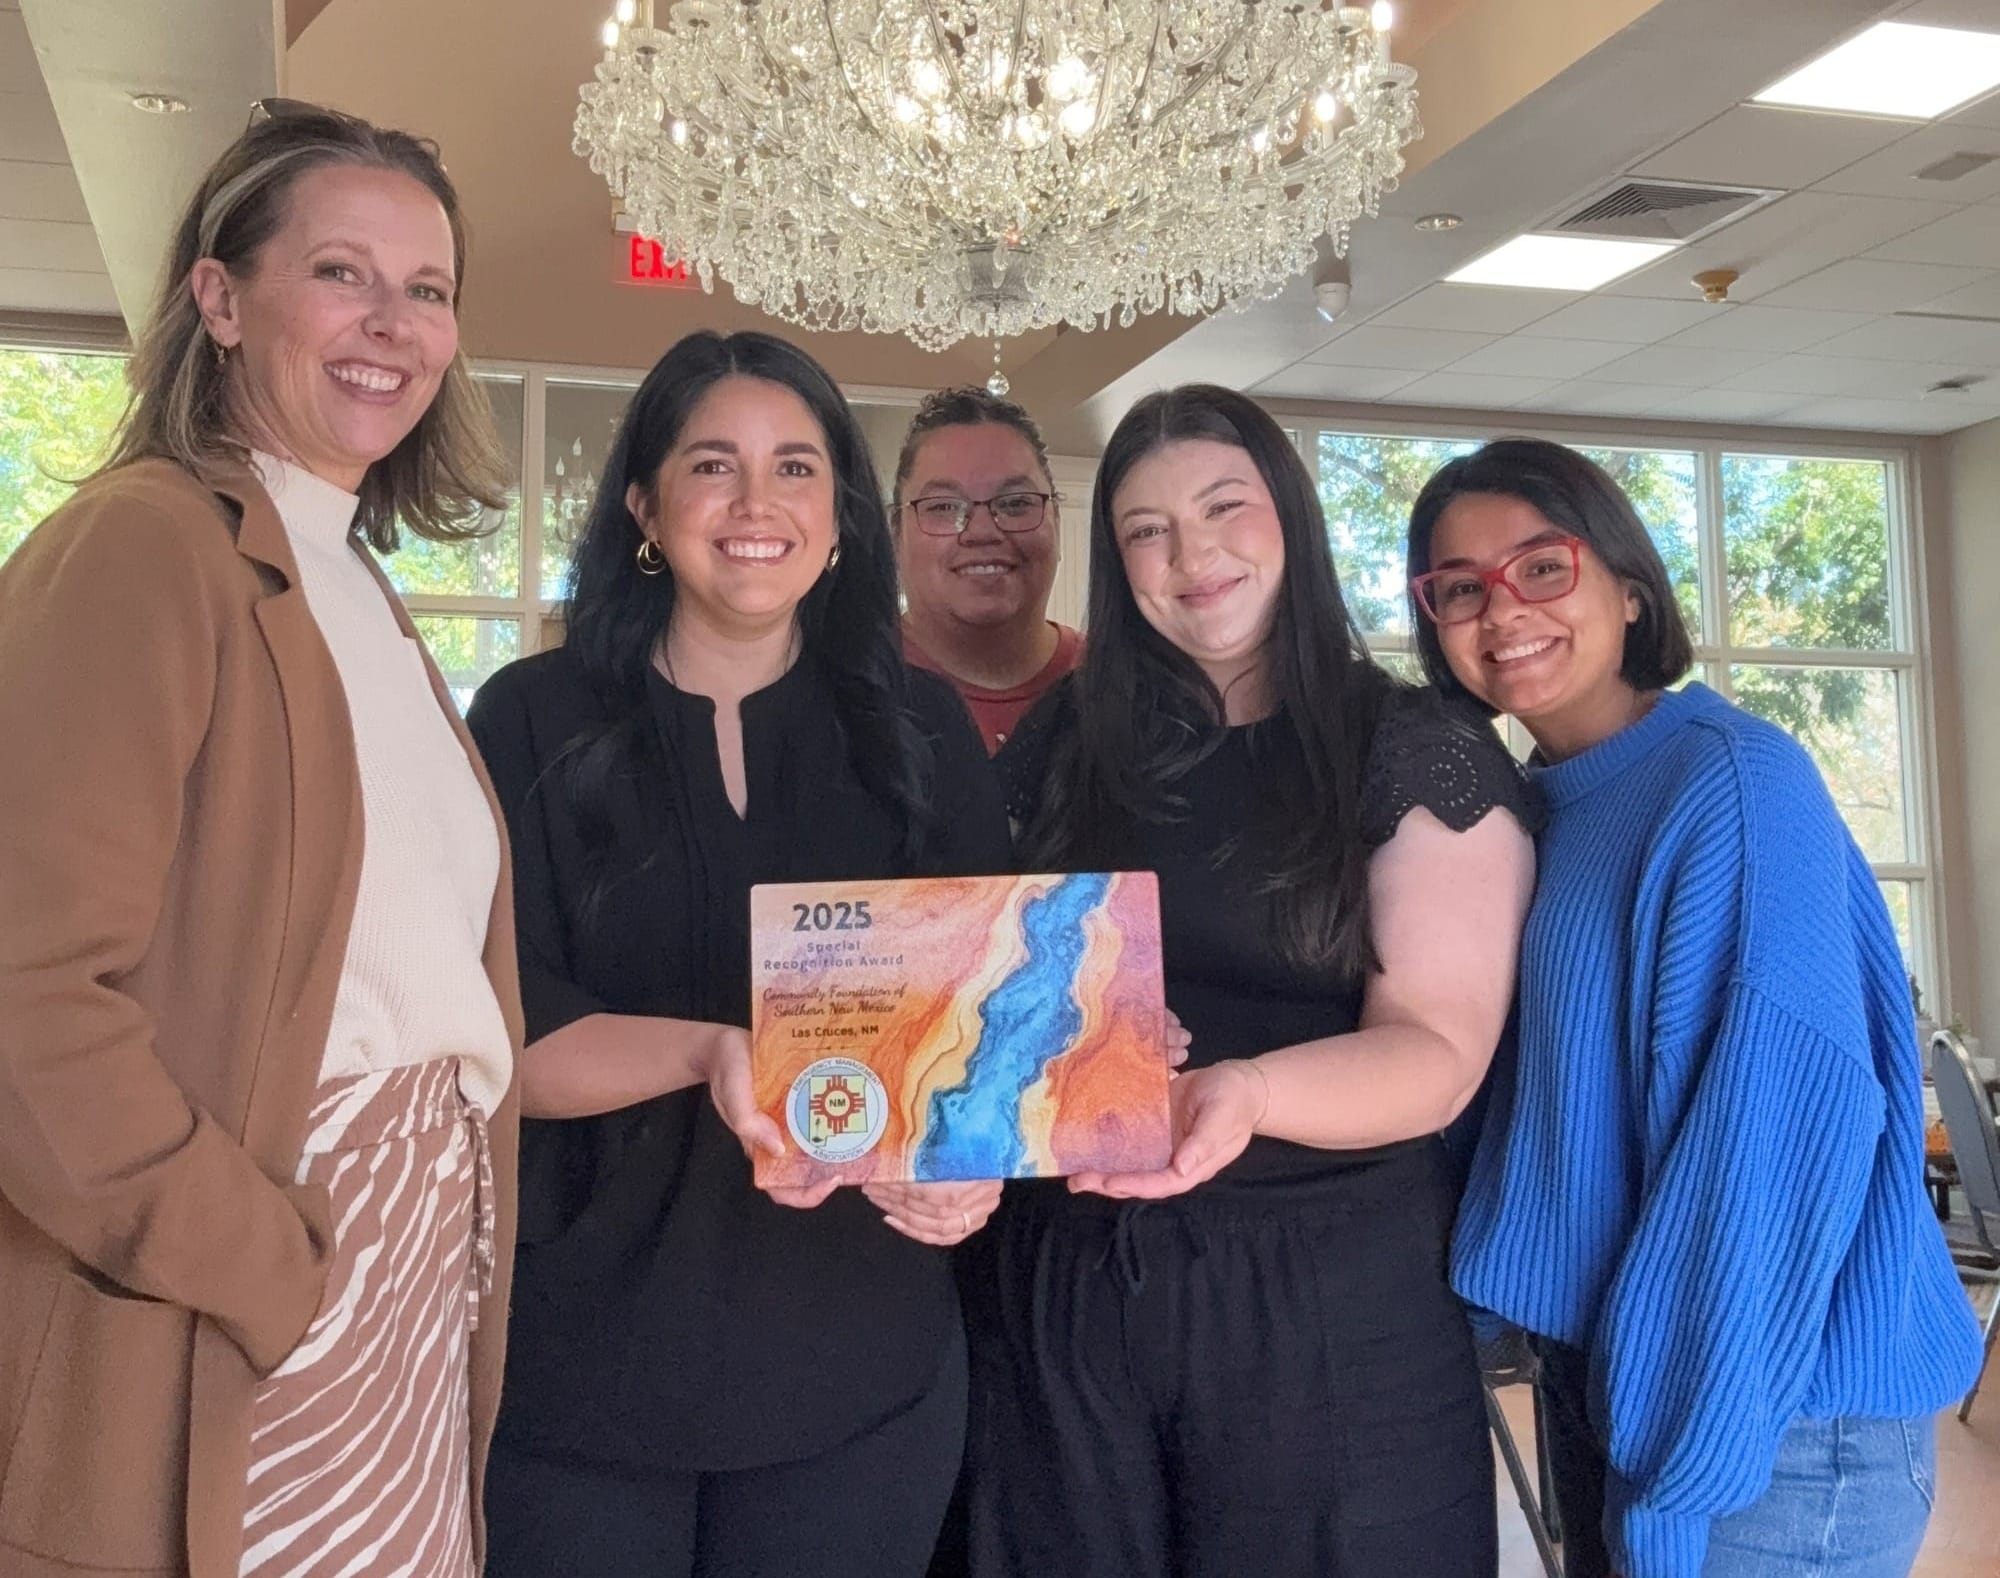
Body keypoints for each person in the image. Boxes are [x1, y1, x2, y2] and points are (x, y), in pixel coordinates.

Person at [0, 104, 523, 1578]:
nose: (392, 324)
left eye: (427, 289)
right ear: (219, 298)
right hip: (241, 1286)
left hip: (400, 1289)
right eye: (342, 274)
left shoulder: (354, 581)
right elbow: (26, 997)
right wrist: (272, 1268)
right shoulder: (141, 546)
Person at [466, 330, 1012, 1578]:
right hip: (583, 1371)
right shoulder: (530, 718)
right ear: (646, 506)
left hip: (860, 1363)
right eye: (713, 465)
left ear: (839, 517)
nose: (757, 505)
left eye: (797, 469)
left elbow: (974, 1019)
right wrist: (719, 1051)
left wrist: (965, 1169)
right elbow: (499, 1029)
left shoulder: (919, 726)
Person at [974, 384, 1538, 1578]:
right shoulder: (1058, 743)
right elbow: (984, 980)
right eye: (1145, 530)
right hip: (1061, 1291)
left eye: (1224, 507)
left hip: (1320, 1296)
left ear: (1288, 515)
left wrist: (1242, 1091)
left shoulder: (1408, 747)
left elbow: (1436, 1051)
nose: (1192, 555)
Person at [1408, 438, 1984, 1578]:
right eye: (1457, 588)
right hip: (1618, 1387)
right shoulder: (1532, 812)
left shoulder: (1728, 782)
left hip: (1770, 1426)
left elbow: (1765, 1157)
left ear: (1627, 586)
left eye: (1540, 566)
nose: (1500, 609)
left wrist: (1682, 1486)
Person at [894, 387, 1082, 757]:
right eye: (944, 506)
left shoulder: (1125, 687)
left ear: (1056, 522)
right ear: (895, 533)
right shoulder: (841, 687)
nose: (982, 531)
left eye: (1015, 503)